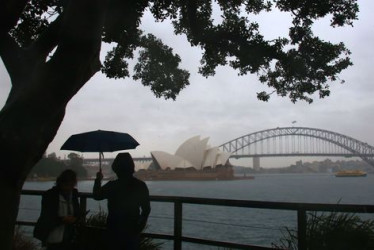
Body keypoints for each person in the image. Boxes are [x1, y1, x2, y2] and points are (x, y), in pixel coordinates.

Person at [93, 153, 151, 250]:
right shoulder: (140, 185)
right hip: (132, 228)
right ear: (132, 167)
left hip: (113, 228)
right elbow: (146, 209)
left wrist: (98, 180)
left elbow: (97, 195)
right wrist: (140, 225)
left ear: (116, 168)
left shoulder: (112, 185)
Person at [33, 169, 80, 250]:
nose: (69, 188)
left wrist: (75, 218)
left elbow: (77, 211)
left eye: (71, 185)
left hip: (70, 235)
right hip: (53, 235)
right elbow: (47, 216)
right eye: (67, 185)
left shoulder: (74, 194)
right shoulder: (50, 195)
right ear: (61, 183)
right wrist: (62, 220)